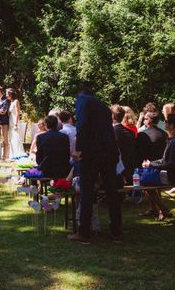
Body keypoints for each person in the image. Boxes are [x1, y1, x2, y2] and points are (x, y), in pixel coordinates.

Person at [68, 83, 122, 244]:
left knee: (86, 191)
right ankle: (116, 232)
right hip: (109, 150)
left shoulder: (82, 100)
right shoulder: (104, 106)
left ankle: (84, 233)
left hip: (92, 152)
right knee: (112, 192)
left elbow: (82, 124)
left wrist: (78, 149)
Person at [141, 113, 175, 221]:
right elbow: (165, 160)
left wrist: (151, 165)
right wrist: (151, 163)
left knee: (145, 181)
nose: (163, 123)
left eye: (166, 121)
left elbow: (172, 165)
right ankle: (157, 209)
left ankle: (162, 209)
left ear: (172, 125)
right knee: (146, 179)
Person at [111, 105, 137, 185]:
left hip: (115, 170)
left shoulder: (110, 133)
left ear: (112, 116)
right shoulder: (131, 133)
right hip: (129, 169)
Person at [7, 89, 23, 158]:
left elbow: (17, 113)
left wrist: (16, 123)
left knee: (16, 137)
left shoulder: (16, 101)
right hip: (10, 121)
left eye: (7, 93)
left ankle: (18, 153)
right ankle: (12, 154)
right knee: (11, 137)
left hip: (14, 121)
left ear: (10, 94)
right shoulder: (11, 102)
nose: (6, 95)